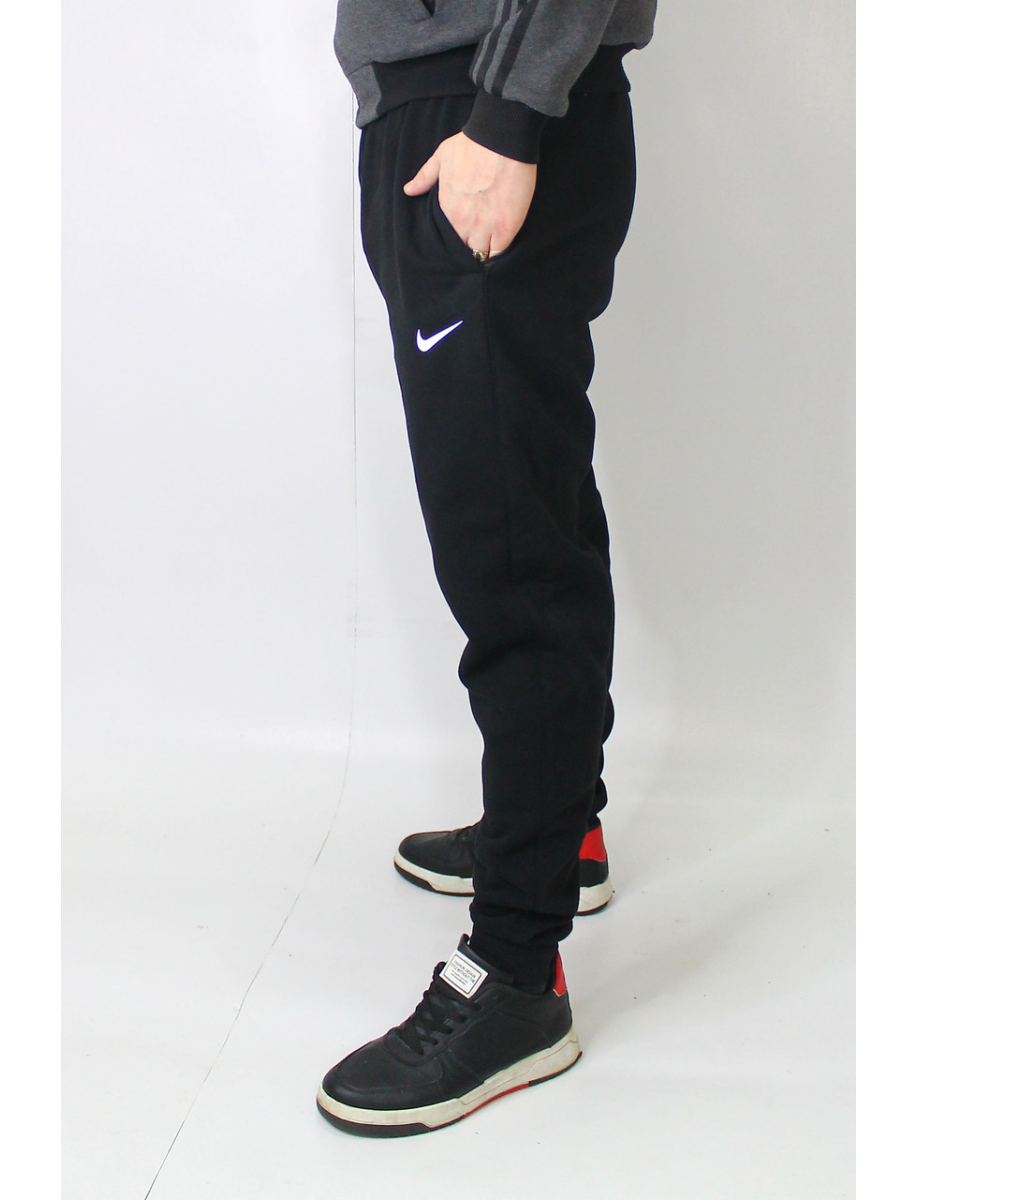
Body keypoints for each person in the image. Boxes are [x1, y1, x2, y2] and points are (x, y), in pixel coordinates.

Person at [317, 0, 657, 1137]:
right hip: (470, 99)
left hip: (488, 107)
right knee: (530, 505)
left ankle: (516, 971)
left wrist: (508, 113)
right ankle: (559, 832)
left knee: (510, 552)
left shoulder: (501, 111)